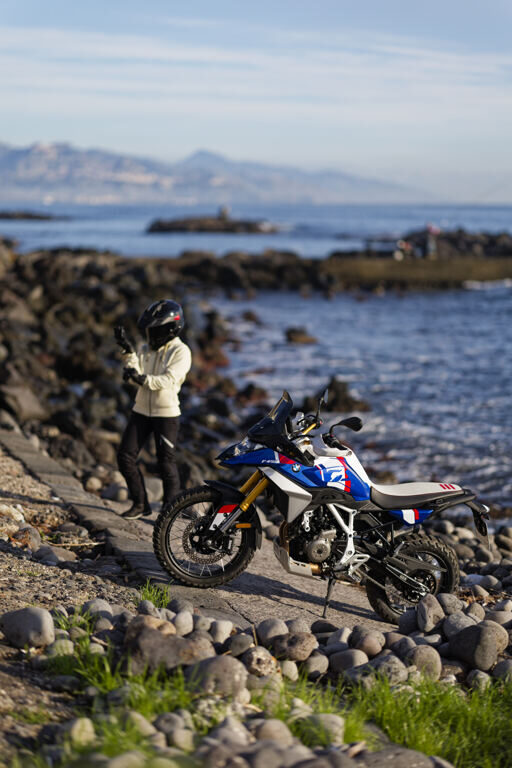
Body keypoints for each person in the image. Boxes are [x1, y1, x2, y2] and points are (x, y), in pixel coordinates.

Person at [114, 300, 192, 519]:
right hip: (141, 409)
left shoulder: (181, 351)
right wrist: (128, 352)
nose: (150, 335)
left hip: (166, 414)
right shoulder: (146, 349)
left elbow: (168, 380)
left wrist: (141, 379)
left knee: (166, 463)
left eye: (155, 330)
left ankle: (169, 512)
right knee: (125, 456)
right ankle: (140, 504)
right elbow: (137, 373)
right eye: (149, 330)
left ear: (171, 329)